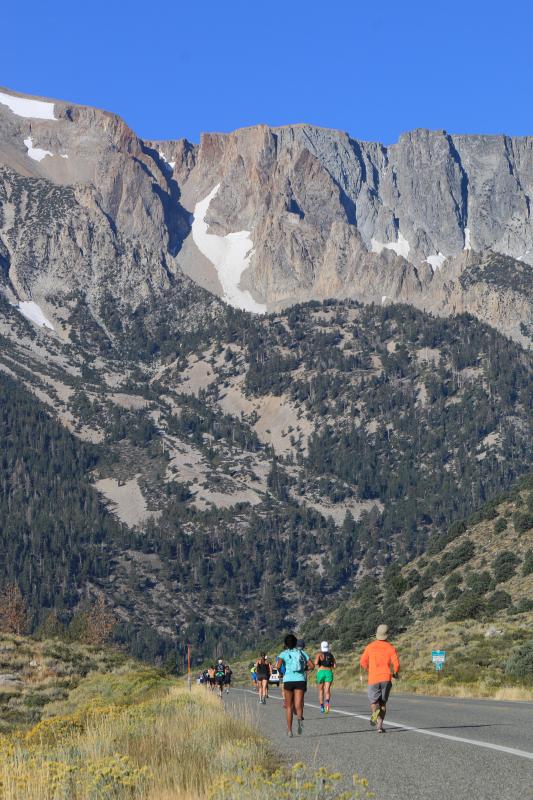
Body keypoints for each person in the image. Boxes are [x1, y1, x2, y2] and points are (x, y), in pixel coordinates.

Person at [359, 624, 400, 734]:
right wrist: (395, 673)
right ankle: (379, 727)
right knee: (383, 703)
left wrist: (369, 670)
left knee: (374, 702)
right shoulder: (391, 648)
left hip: (374, 678)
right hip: (386, 678)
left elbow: (362, 662)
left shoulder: (370, 647)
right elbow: (396, 664)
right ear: (387, 635)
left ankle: (374, 713)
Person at [276, 633, 314, 737]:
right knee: (298, 705)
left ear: (286, 644)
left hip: (288, 680)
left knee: (289, 706)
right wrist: (304, 669)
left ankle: (289, 730)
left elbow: (278, 665)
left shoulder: (283, 653)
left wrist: (281, 673)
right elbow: (312, 665)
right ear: (295, 642)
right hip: (300, 680)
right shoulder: (302, 653)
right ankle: (299, 723)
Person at [315, 640, 336, 713]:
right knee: (327, 690)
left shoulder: (319, 654)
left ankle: (322, 707)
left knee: (321, 690)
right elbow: (334, 665)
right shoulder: (331, 655)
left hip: (321, 672)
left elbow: (316, 663)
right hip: (329, 672)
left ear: (321, 647)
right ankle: (327, 704)